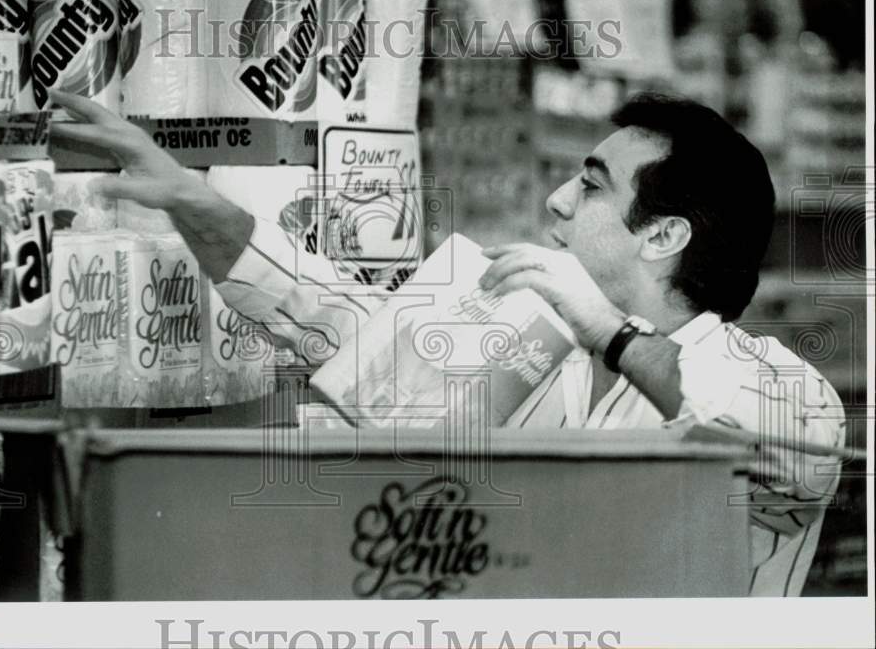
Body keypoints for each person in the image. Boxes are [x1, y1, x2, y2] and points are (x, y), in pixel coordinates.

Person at [50, 89, 845, 596]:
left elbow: (768, 450)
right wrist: (192, 199)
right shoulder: (530, 345)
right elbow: (327, 313)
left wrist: (606, 330)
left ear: (664, 233)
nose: (558, 201)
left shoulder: (784, 386)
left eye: (593, 184)